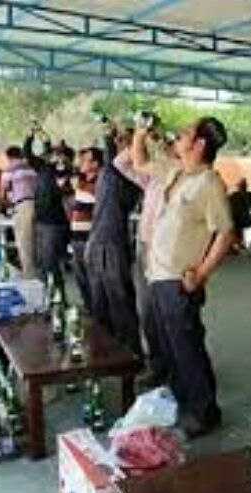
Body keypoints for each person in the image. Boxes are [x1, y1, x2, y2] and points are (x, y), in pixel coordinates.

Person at [131, 116, 234, 438]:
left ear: (200, 144)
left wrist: (201, 273)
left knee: (187, 348)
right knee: (169, 348)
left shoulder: (209, 183)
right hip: (157, 274)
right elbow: (139, 162)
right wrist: (140, 133)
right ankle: (183, 403)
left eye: (186, 133)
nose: (178, 136)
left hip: (179, 280)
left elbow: (225, 232)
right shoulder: (176, 172)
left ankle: (204, 413)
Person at [112, 124, 177, 387]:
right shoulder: (153, 178)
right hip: (146, 246)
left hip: (168, 251)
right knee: (147, 310)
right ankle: (159, 365)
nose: (167, 145)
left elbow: (141, 162)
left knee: (170, 310)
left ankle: (176, 365)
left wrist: (144, 137)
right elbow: (121, 163)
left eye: (174, 142)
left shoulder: (178, 173)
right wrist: (141, 138)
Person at [85, 125, 142, 358]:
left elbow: (114, 158)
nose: (119, 145)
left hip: (113, 243)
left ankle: (131, 354)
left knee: (120, 302)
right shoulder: (111, 171)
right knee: (99, 302)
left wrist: (114, 136)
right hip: (98, 239)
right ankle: (105, 352)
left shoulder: (129, 174)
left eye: (124, 142)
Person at [24, 127, 71, 297]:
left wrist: (60, 159)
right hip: (41, 220)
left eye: (58, 152)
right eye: (52, 152)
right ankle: (45, 295)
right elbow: (28, 154)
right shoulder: (42, 167)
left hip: (54, 223)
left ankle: (59, 295)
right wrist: (31, 136)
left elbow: (64, 182)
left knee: (51, 261)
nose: (53, 155)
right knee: (42, 262)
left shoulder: (63, 170)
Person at [70, 147, 101, 312]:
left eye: (86, 160)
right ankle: (89, 307)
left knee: (92, 276)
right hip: (77, 236)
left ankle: (97, 310)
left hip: (89, 237)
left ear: (95, 164)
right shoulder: (82, 182)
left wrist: (80, 185)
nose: (81, 162)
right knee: (79, 274)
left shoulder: (98, 182)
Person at [2, 145, 38, 278]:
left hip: (23, 205)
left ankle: (29, 276)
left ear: (8, 157)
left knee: (24, 242)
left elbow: (4, 188)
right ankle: (40, 275)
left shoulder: (10, 169)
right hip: (38, 205)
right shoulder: (32, 168)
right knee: (35, 241)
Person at [228, 178, 251, 252]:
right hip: (239, 216)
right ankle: (237, 245)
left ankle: (237, 245)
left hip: (239, 216)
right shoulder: (246, 195)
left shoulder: (237, 195)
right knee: (238, 231)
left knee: (238, 231)